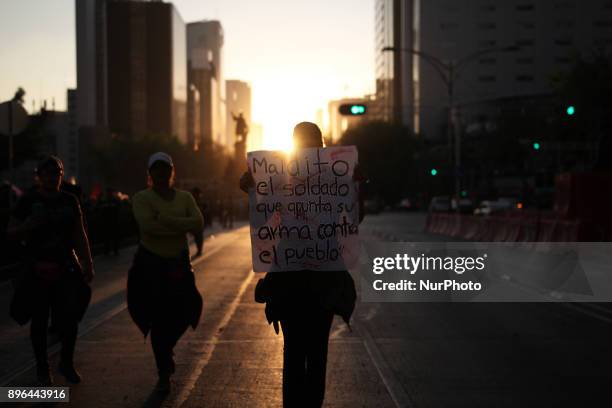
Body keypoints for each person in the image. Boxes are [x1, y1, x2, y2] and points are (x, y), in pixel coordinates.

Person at [239, 122, 364, 407]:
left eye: (313, 142)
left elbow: (355, 218)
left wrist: (358, 186)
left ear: (321, 147)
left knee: (317, 352)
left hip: (325, 279)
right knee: (294, 351)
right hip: (289, 279)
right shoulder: (280, 178)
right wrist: (250, 189)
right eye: (303, 142)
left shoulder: (335, 177)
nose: (309, 147)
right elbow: (262, 219)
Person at [7, 155, 94, 386]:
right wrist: (28, 226)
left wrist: (88, 262)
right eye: (46, 173)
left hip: (65, 266)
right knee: (39, 321)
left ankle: (66, 361)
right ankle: (43, 369)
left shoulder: (70, 200)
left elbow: (79, 233)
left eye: (55, 173)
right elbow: (11, 230)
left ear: (61, 175)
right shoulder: (28, 200)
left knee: (70, 318)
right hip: (37, 267)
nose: (51, 177)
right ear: (39, 176)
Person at [128, 152, 204, 393]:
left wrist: (164, 219)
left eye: (165, 169)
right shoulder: (142, 198)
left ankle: (166, 346)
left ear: (172, 172)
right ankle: (163, 369)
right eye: (156, 169)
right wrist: (178, 224)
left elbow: (198, 223)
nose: (161, 173)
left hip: (179, 263)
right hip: (151, 264)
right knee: (157, 317)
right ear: (150, 174)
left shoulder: (184, 197)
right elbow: (147, 226)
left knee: (188, 309)